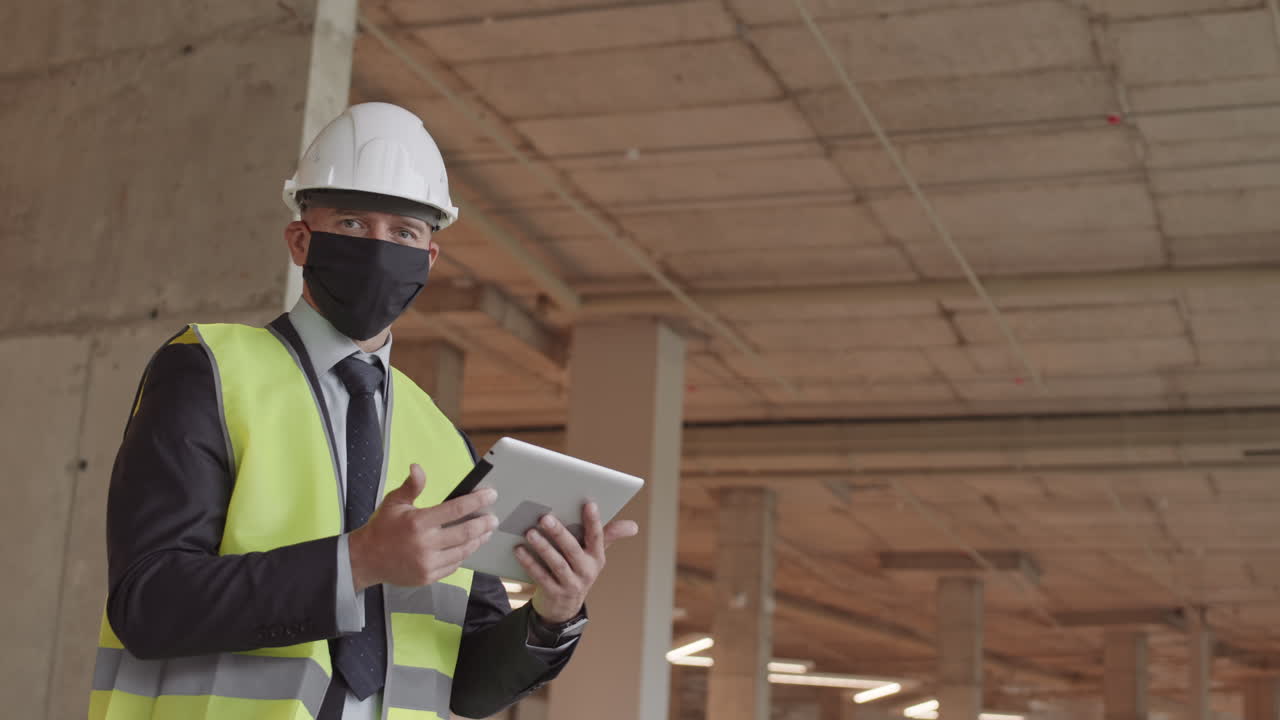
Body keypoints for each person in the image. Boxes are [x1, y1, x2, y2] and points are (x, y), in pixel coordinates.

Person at [89, 102, 638, 720]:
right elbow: (149, 603)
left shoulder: (443, 438)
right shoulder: (209, 371)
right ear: (301, 240)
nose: (380, 247)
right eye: (352, 223)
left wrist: (551, 615)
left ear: (428, 260)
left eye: (404, 233)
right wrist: (359, 563)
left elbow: (466, 687)